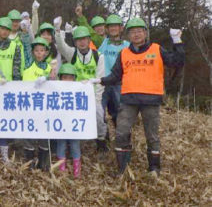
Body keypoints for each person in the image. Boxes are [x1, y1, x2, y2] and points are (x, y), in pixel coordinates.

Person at [98, 18, 185, 176]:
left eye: (139, 31)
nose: (136, 34)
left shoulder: (156, 49)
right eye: (132, 32)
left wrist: (177, 40)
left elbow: (177, 61)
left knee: (151, 135)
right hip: (128, 100)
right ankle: (122, 168)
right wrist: (99, 80)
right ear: (128, 35)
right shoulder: (124, 53)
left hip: (151, 100)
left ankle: (154, 168)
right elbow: (116, 75)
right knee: (121, 132)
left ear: (145, 33)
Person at [53, 17, 108, 153]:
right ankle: (69, 142)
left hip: (92, 94)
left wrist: (96, 100)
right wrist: (58, 30)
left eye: (84, 39)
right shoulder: (72, 53)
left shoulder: (98, 56)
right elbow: (61, 45)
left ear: (89, 40)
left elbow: (100, 80)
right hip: (73, 95)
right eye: (79, 40)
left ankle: (101, 139)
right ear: (75, 41)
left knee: (99, 115)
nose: (82, 42)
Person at [20, 21, 57, 170]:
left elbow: (54, 85)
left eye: (42, 51)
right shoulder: (29, 62)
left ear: (47, 52)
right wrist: (25, 30)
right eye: (37, 51)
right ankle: (29, 162)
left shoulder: (49, 67)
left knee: (43, 132)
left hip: (43, 106)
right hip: (27, 103)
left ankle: (44, 163)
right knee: (28, 133)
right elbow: (26, 42)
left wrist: (50, 77)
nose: (39, 53)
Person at [98, 15, 130, 128]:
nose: (113, 29)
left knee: (120, 113)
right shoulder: (103, 43)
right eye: (111, 26)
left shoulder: (127, 45)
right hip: (103, 83)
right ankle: (103, 139)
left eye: (115, 26)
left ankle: (122, 139)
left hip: (119, 84)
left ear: (121, 28)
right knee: (100, 112)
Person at [55, 63, 82, 178]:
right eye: (64, 77)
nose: (67, 80)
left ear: (74, 79)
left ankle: (77, 169)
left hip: (73, 124)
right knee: (61, 145)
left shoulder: (79, 90)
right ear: (60, 78)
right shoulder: (55, 91)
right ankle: (62, 168)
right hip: (61, 124)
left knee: (75, 145)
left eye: (70, 77)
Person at [0, 17, 22, 81]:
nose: (5, 31)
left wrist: (16, 84)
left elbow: (16, 68)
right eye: (2, 28)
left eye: (7, 29)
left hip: (9, 84)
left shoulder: (15, 46)